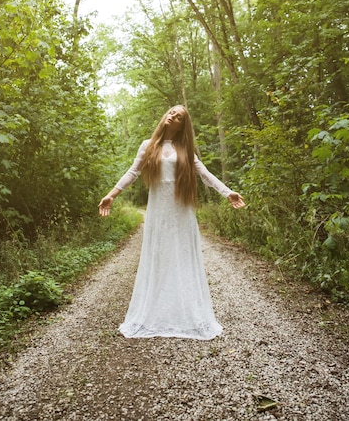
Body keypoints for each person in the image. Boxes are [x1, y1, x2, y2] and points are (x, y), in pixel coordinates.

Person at [98, 105, 245, 340]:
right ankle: (157, 309)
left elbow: (205, 174)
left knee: (182, 255)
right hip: (158, 210)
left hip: (181, 210)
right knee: (159, 255)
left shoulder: (185, 149)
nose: (172, 116)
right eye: (170, 112)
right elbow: (132, 172)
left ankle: (186, 310)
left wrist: (227, 193)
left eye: (178, 116)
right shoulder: (148, 145)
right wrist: (111, 194)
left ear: (182, 125)